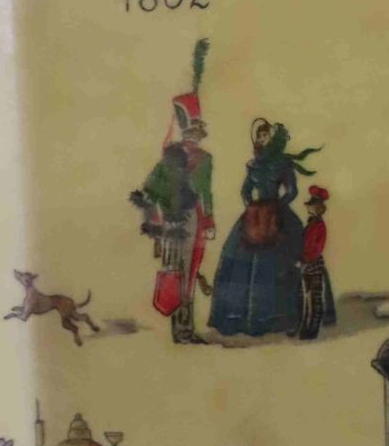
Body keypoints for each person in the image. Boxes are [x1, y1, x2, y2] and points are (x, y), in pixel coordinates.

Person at [131, 41, 215, 344]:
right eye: (189, 133)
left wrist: (209, 220)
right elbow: (148, 192)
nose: (193, 139)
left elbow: (205, 194)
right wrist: (154, 220)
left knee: (189, 273)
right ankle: (179, 330)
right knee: (173, 273)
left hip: (193, 218)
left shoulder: (205, 159)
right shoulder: (168, 162)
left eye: (196, 134)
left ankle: (185, 329)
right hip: (171, 222)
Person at [208, 120, 320, 339]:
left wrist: (276, 207)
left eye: (265, 135)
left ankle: (281, 319)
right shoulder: (254, 165)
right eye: (259, 136)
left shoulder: (283, 163)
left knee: (284, 258)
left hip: (278, 213)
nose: (262, 139)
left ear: (273, 137)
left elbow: (292, 191)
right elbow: (245, 191)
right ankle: (236, 319)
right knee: (238, 256)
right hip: (255, 215)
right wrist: (253, 208)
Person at [297, 184, 337, 340]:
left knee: (315, 299)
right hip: (306, 264)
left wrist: (304, 260)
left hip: (313, 264)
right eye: (309, 206)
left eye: (312, 206)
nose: (309, 208)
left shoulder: (319, 226)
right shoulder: (311, 224)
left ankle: (312, 331)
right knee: (307, 298)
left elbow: (316, 248)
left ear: (320, 209)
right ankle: (306, 329)